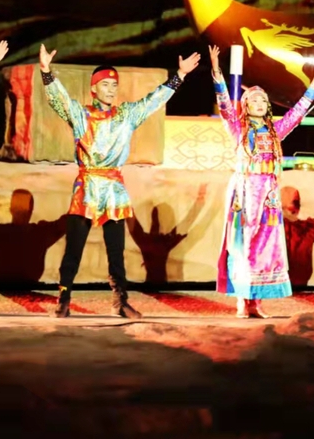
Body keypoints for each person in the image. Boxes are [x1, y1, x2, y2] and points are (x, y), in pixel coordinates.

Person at [41, 43, 200, 318]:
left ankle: (121, 300)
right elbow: (60, 99)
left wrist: (180, 76)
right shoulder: (81, 115)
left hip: (113, 188)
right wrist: (46, 71)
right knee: (74, 248)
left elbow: (153, 101)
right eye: (105, 84)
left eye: (114, 85)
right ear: (94, 89)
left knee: (116, 251)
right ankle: (64, 297)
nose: (111, 89)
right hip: (88, 186)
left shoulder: (126, 115)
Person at [209, 45, 314, 318]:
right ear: (246, 105)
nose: (259, 103)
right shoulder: (237, 128)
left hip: (269, 194)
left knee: (265, 246)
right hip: (245, 192)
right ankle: (242, 299)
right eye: (254, 100)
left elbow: (296, 114)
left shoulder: (275, 131)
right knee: (242, 244)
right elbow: (224, 104)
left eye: (263, 100)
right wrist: (216, 71)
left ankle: (257, 301)